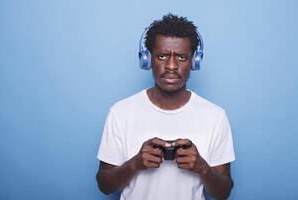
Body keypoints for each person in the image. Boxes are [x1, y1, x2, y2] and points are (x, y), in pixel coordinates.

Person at [96, 13, 235, 200]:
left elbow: (224, 192)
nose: (171, 66)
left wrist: (202, 167)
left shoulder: (215, 117)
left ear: (194, 61)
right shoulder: (121, 113)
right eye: (162, 56)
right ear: (147, 59)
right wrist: (135, 164)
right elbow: (104, 186)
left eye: (181, 57)